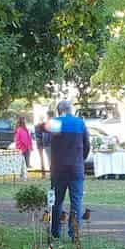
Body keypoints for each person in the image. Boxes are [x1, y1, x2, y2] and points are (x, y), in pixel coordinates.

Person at [44, 99, 90, 240]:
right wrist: (80, 160)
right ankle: (74, 232)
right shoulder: (80, 123)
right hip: (76, 168)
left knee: (57, 201)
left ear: (59, 111)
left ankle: (55, 231)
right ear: (71, 110)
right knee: (76, 201)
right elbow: (87, 145)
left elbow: (46, 143)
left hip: (58, 169)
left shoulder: (54, 123)